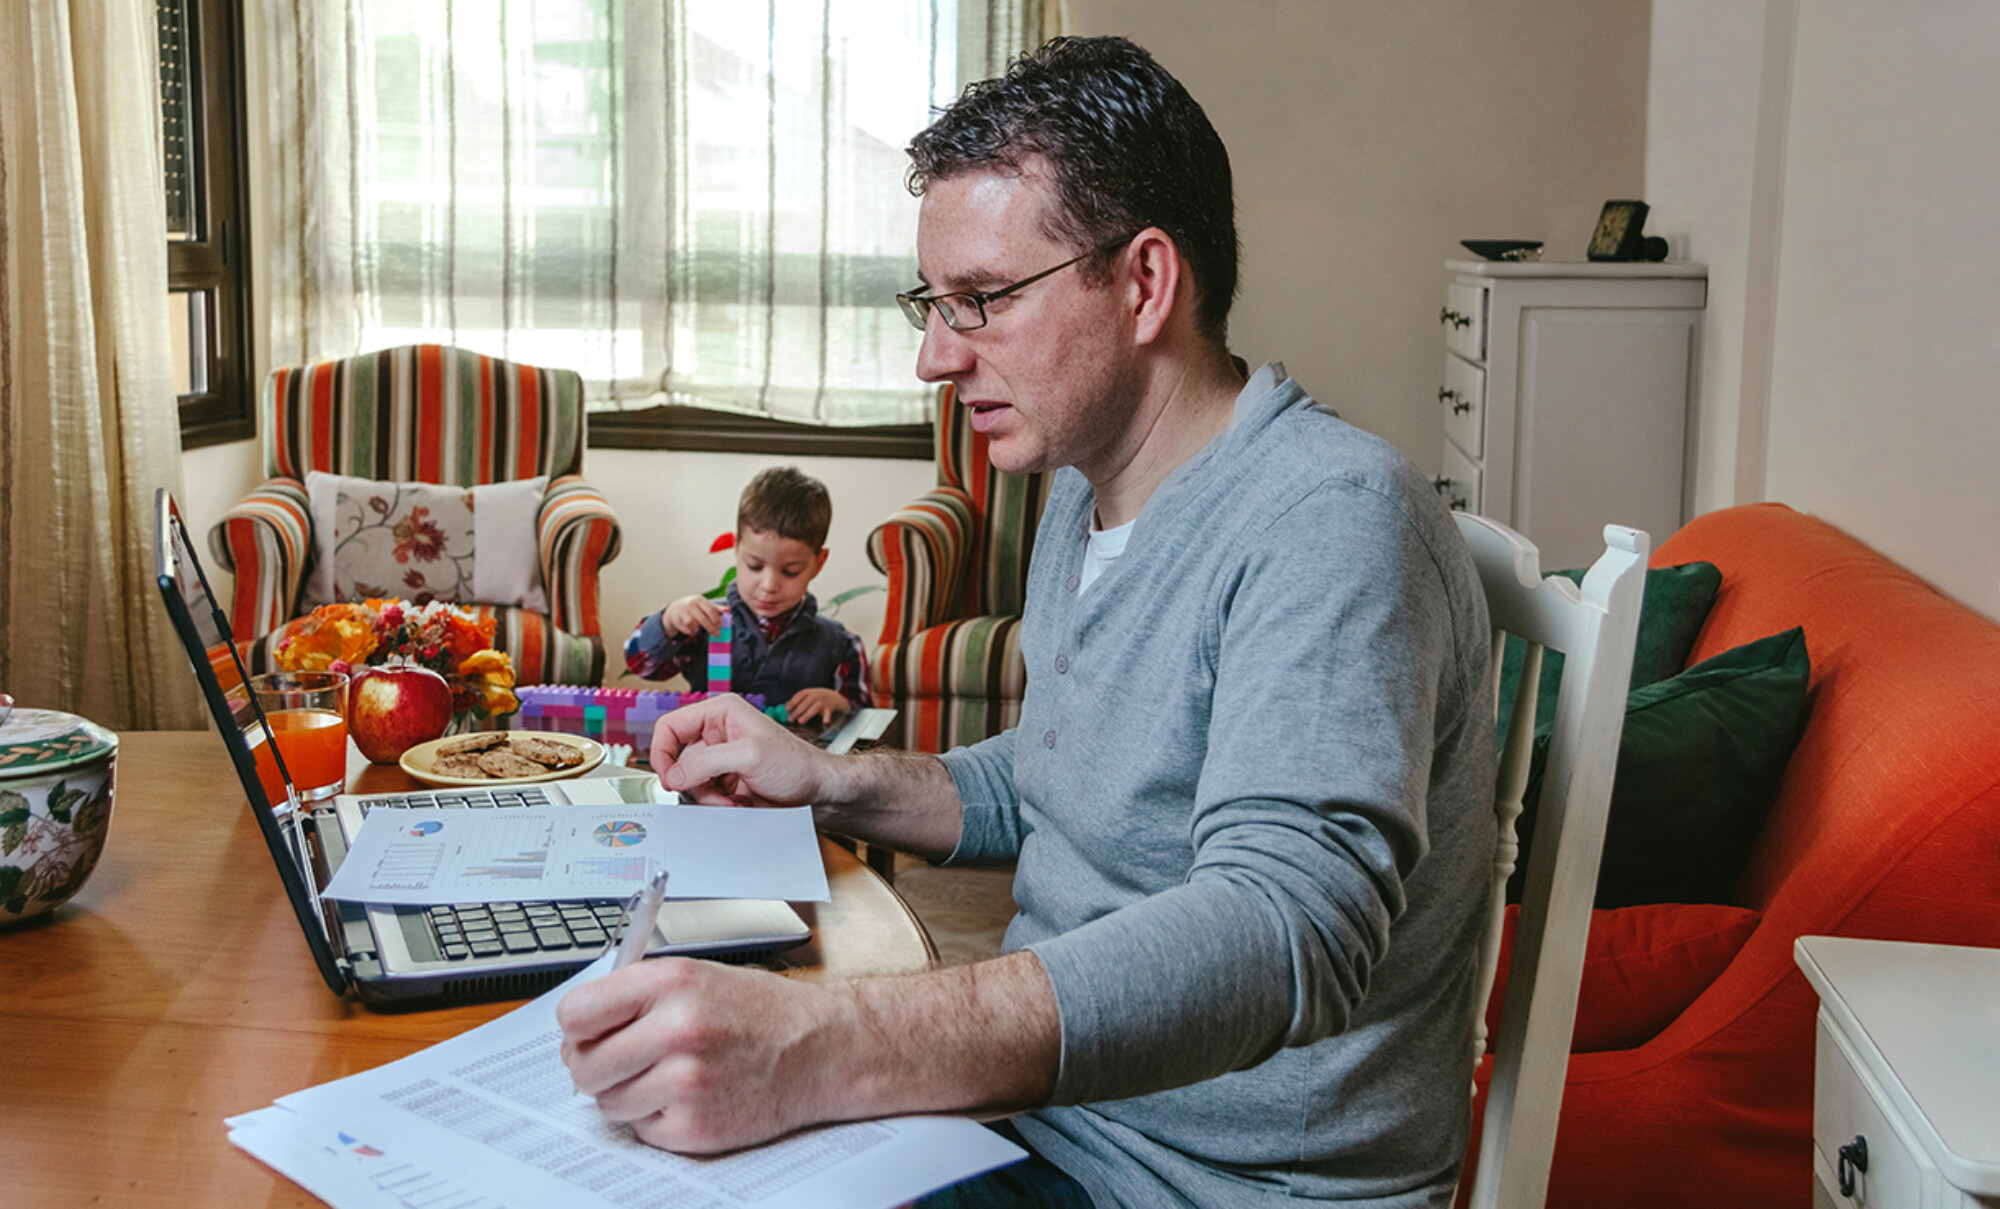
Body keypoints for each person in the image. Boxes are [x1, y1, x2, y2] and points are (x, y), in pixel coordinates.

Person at [561, 35, 1496, 1208]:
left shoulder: (1329, 518)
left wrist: (827, 1044)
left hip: (1207, 1184)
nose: (931, 357)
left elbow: (1286, 928)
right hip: (1045, 1129)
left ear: (1144, 283)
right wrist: (825, 776)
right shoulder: (1088, 489)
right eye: (933, 303)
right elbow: (1062, 780)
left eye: (981, 302)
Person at [623, 465, 871, 728]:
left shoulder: (840, 644)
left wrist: (840, 704)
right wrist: (669, 620)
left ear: (818, 564)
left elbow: (867, 725)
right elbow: (641, 665)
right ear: (736, 549)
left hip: (795, 766)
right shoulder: (706, 622)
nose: (769, 585)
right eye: (754, 566)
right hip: (708, 760)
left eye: (790, 572)